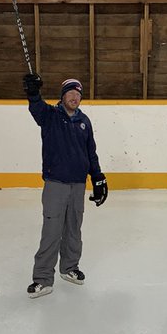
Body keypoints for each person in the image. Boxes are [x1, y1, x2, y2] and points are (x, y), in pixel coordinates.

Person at [23, 73, 107, 297]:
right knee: (51, 231)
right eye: (70, 93)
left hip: (78, 185)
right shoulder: (50, 115)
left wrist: (98, 178)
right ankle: (42, 279)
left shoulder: (84, 121)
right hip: (56, 184)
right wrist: (33, 93)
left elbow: (90, 152)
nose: (74, 97)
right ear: (62, 96)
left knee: (73, 229)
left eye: (77, 94)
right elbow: (36, 108)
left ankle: (69, 267)